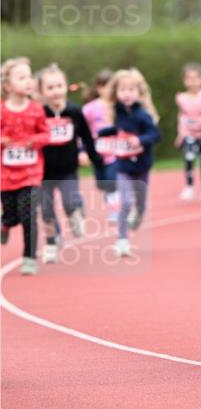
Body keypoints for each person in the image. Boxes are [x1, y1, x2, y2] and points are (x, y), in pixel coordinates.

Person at [36, 64, 104, 264]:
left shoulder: (74, 111)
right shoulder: (39, 114)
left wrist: (95, 158)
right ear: (41, 91)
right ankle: (51, 242)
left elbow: (86, 137)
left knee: (69, 201)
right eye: (50, 88)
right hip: (42, 171)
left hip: (67, 169)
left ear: (66, 86)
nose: (55, 91)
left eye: (59, 86)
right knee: (46, 211)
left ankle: (75, 214)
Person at [98, 68, 161, 257]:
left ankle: (138, 216)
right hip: (123, 165)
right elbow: (117, 130)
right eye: (123, 90)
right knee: (124, 202)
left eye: (131, 89)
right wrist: (102, 134)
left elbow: (155, 134)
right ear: (116, 93)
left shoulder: (143, 115)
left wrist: (140, 140)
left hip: (142, 166)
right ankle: (122, 239)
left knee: (140, 204)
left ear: (139, 93)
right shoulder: (117, 113)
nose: (127, 94)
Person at [0, 57, 50, 275]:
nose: (28, 81)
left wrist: (35, 141)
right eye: (21, 78)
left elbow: (46, 134)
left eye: (30, 76)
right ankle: (5, 223)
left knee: (28, 214)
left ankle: (29, 258)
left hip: (31, 173)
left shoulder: (37, 109)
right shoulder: (2, 111)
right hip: (6, 174)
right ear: (8, 86)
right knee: (12, 214)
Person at [175, 62, 201, 202]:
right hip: (190, 134)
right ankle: (189, 186)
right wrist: (181, 134)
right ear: (184, 80)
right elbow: (182, 116)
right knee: (188, 159)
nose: (192, 81)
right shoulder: (181, 98)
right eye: (189, 78)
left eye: (196, 78)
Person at [82, 69, 119, 220]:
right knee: (102, 184)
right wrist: (82, 150)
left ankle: (118, 210)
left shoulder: (120, 107)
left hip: (116, 153)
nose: (108, 90)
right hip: (97, 153)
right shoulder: (89, 108)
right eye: (105, 87)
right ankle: (114, 205)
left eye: (112, 87)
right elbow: (83, 131)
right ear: (98, 88)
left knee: (112, 180)